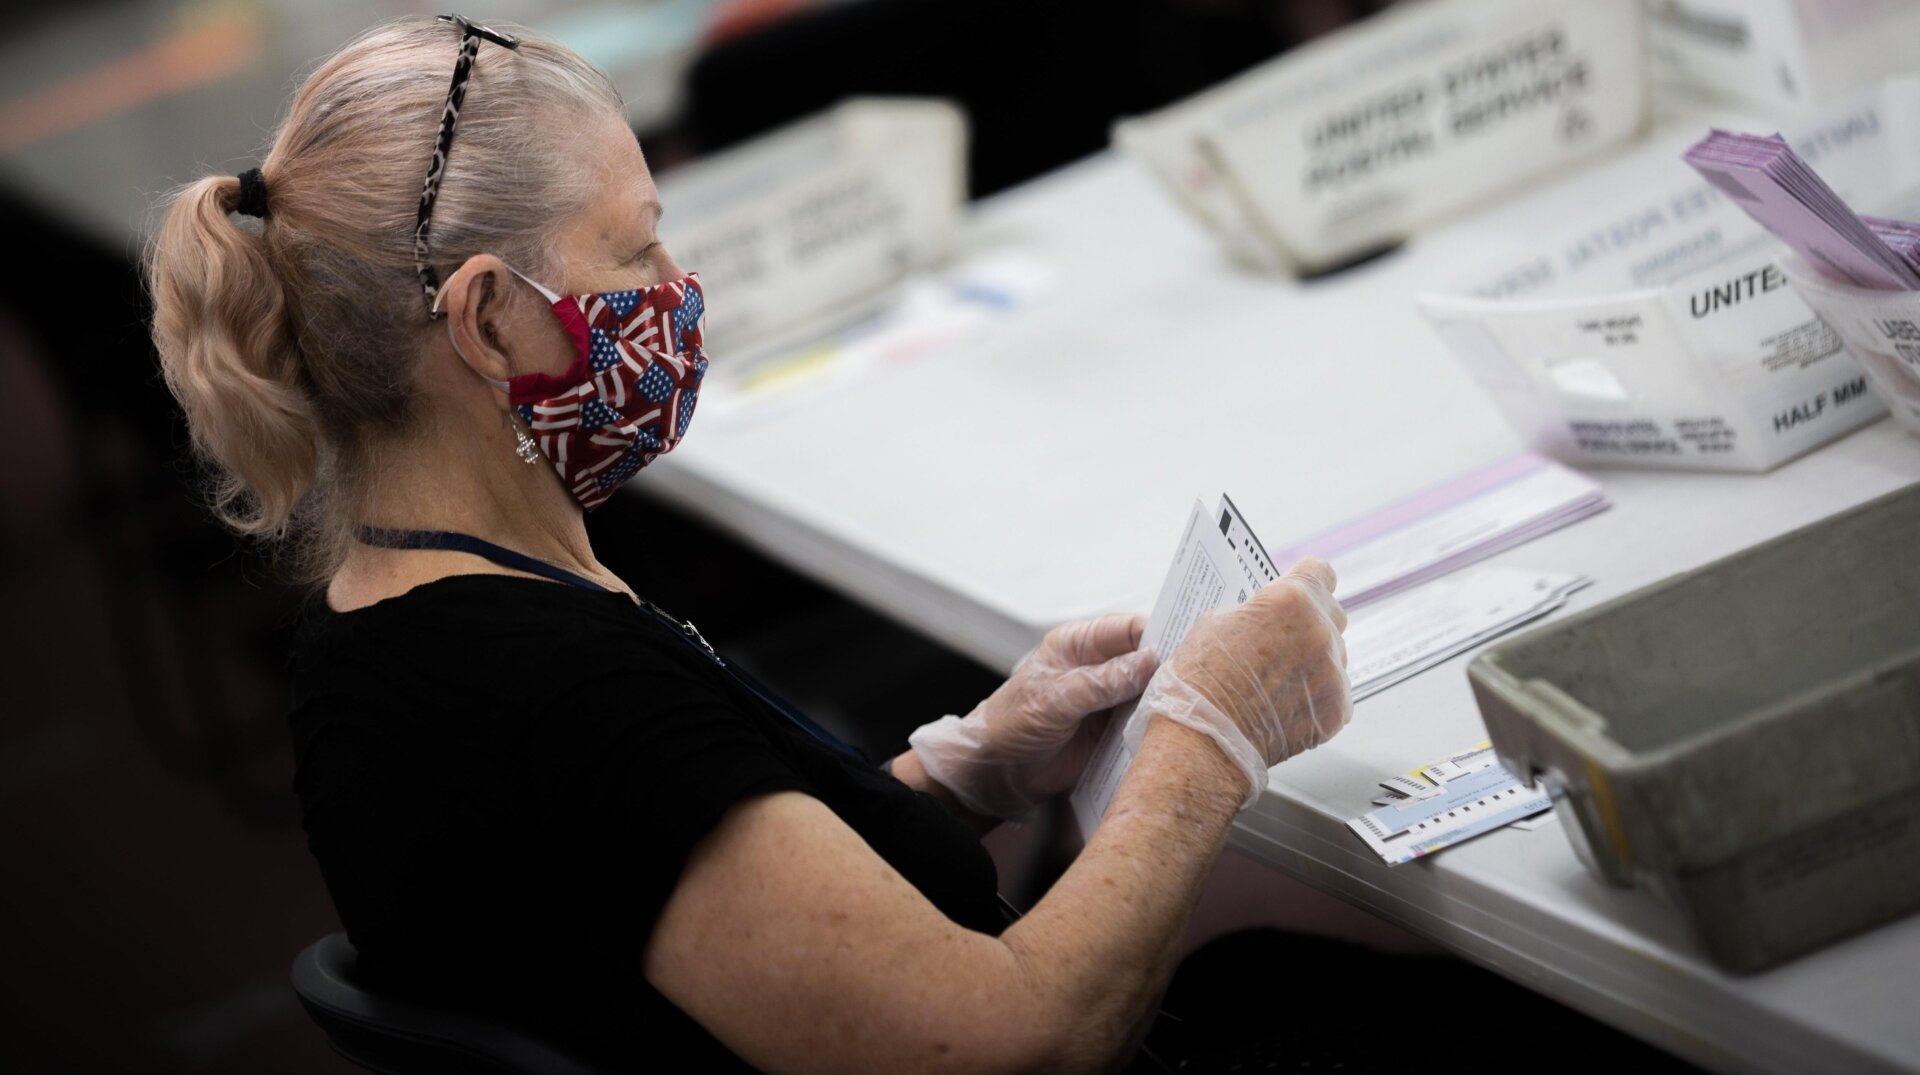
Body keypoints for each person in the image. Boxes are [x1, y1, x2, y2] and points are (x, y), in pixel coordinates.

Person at [144, 15, 1352, 1073]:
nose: (680, 285)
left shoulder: (385, 623)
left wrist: (970, 767)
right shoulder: (554, 698)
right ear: (489, 319)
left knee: (1277, 976)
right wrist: (1206, 741)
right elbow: (1005, 1041)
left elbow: (690, 876)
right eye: (633, 251)